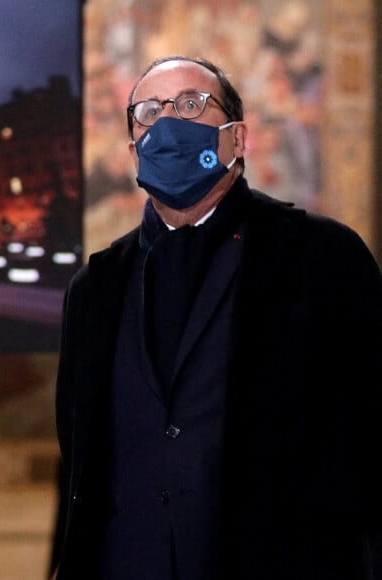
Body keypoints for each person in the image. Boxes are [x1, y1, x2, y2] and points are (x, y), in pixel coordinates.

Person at [51, 55, 382, 580]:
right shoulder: (94, 290)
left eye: (191, 105)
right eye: (149, 112)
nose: (168, 123)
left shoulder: (324, 258)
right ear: (133, 148)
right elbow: (80, 469)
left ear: (238, 138)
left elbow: (375, 439)